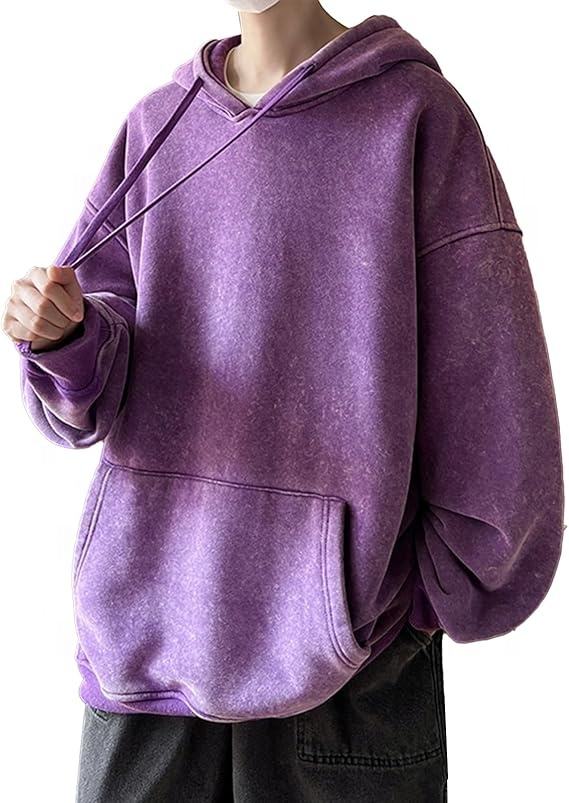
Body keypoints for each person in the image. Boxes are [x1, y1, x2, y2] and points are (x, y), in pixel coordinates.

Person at [3, 1, 564, 800]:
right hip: (147, 648)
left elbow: (493, 395)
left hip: (348, 669)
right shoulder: (157, 126)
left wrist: (408, 599)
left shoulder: (416, 119)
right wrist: (64, 336)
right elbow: (92, 375)